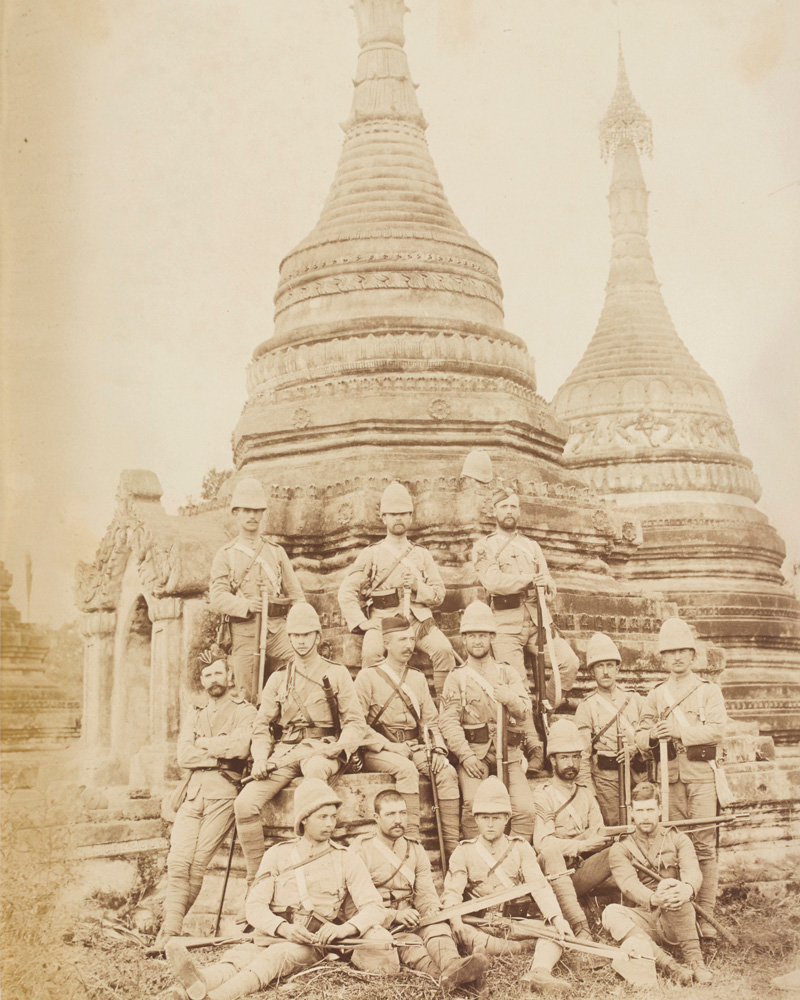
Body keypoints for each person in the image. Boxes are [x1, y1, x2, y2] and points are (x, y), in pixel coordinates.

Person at [165, 779, 394, 1000]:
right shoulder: (277, 854)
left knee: (276, 957)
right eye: (322, 817)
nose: (330, 824)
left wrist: (344, 929)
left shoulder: (346, 858)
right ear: (303, 820)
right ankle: (197, 984)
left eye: (333, 817)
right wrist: (282, 928)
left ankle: (215, 997)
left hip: (310, 943)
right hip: (272, 934)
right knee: (239, 957)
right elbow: (254, 906)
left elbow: (374, 907)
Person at [233, 602, 367, 887]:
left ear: (318, 636)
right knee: (245, 804)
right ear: (289, 637)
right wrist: (259, 758)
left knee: (316, 771)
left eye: (307, 634)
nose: (301, 641)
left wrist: (340, 747)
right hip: (285, 753)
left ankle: (312, 868)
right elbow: (261, 727)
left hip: (323, 747)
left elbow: (356, 723)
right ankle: (257, 881)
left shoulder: (337, 673)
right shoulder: (279, 678)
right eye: (295, 635)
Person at [156, 648, 256, 948]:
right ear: (202, 681)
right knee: (178, 861)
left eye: (218, 673)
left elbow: (241, 748)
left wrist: (204, 746)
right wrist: (218, 752)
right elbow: (183, 755)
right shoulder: (195, 713)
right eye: (207, 675)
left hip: (224, 793)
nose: (213, 679)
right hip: (193, 793)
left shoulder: (245, 710)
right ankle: (171, 931)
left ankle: (168, 934)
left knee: (197, 864)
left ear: (229, 676)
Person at [635, 618, 727, 938]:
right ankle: (678, 914)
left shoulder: (708, 691)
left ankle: (706, 916)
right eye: (670, 652)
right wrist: (651, 734)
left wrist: (678, 731)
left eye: (682, 651)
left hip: (701, 777)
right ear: (663, 658)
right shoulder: (656, 695)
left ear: (692, 655)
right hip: (668, 779)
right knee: (672, 845)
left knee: (704, 847)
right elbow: (639, 733)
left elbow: (717, 729)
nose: (676, 658)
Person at [441, 777, 572, 995]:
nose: (490, 824)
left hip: (515, 923)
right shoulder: (464, 851)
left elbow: (540, 887)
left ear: (507, 818)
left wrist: (557, 918)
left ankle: (539, 973)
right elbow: (452, 893)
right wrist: (456, 922)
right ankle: (498, 951)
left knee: (554, 932)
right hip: (479, 924)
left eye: (496, 818)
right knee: (467, 934)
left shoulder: (520, 848)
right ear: (476, 819)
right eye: (484, 817)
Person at [347, 789, 489, 988]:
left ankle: (453, 964)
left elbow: (425, 893)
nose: (398, 820)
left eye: (403, 813)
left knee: (438, 927)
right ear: (376, 818)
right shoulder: (360, 850)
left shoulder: (415, 849)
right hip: (381, 925)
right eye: (390, 814)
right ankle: (452, 978)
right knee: (411, 944)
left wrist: (430, 909)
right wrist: (394, 915)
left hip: (413, 918)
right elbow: (353, 907)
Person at [337, 480, 456, 696]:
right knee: (371, 654)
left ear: (410, 516)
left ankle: (444, 708)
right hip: (383, 621)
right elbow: (347, 592)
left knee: (444, 650)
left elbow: (439, 594)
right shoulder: (372, 553)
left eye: (403, 513)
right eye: (393, 514)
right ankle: (373, 707)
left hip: (418, 621)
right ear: (383, 518)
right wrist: (363, 624)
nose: (398, 518)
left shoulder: (421, 554)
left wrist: (418, 586)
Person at [356, 616, 461, 854]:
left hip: (415, 746)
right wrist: (389, 747)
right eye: (401, 639)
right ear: (386, 643)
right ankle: (412, 845)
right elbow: (356, 724)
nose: (408, 645)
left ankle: (453, 850)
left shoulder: (417, 677)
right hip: (380, 750)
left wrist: (438, 750)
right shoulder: (368, 676)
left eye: (412, 639)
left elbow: (431, 721)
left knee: (447, 772)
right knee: (406, 769)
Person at [471, 486, 578, 709]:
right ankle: (530, 734)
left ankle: (544, 709)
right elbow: (493, 582)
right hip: (505, 626)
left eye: (513, 507)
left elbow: (547, 582)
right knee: (517, 685)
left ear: (519, 512)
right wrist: (530, 579)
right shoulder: (484, 547)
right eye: (503, 507)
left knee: (569, 663)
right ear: (494, 512)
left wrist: (548, 587)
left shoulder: (532, 547)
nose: (509, 511)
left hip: (538, 623)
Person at [439, 601, 537, 839]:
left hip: (510, 755)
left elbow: (524, 710)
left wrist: (509, 698)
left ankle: (517, 858)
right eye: (471, 635)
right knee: (473, 804)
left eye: (482, 635)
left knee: (525, 810)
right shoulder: (457, 678)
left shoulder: (507, 672)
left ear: (492, 637)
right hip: (474, 755)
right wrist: (465, 755)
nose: (477, 641)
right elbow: (448, 722)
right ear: (463, 639)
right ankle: (476, 859)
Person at [602, 782, 711, 985]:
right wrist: (653, 898)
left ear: (660, 810)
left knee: (676, 889)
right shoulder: (621, 847)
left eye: (650, 810)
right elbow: (628, 884)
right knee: (611, 913)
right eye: (640, 810)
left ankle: (696, 963)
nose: (645, 816)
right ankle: (670, 965)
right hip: (646, 917)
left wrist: (686, 888)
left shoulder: (678, 839)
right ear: (631, 812)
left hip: (677, 917)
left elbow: (692, 871)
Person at [209, 477, 304, 704]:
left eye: (257, 511)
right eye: (246, 510)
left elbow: (297, 595)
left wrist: (301, 625)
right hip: (244, 632)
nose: (252, 516)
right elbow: (217, 597)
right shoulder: (226, 554)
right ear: (236, 513)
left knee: (303, 663)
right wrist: (247, 605)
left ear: (263, 514)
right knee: (246, 693)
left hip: (277, 631)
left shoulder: (276, 552)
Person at [532, 719, 614, 941]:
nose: (571, 763)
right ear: (552, 760)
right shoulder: (543, 794)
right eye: (564, 757)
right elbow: (544, 844)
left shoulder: (586, 794)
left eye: (576, 757)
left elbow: (600, 833)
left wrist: (599, 840)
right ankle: (580, 927)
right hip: (552, 874)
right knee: (550, 853)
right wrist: (583, 844)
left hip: (580, 871)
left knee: (622, 850)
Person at [574, 632, 644, 825]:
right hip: (606, 780)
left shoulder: (635, 701)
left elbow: (649, 738)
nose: (605, 672)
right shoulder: (586, 707)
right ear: (591, 672)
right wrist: (590, 792)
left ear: (618, 668)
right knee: (615, 826)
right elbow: (583, 755)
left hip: (638, 774)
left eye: (610, 665)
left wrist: (635, 748)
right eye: (599, 666)